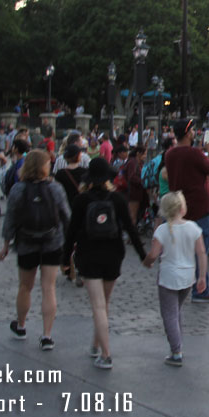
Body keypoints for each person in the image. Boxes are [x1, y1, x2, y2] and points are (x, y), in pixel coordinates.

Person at [64, 158, 146, 369]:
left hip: (89, 255)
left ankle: (106, 354)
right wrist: (142, 255)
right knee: (104, 304)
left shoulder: (81, 200)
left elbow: (71, 232)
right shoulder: (117, 199)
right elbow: (130, 228)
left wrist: (64, 260)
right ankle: (95, 344)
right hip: (113, 255)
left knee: (98, 306)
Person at [0, 150, 71, 351]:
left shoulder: (18, 189)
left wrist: (6, 245)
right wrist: (71, 243)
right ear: (45, 167)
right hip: (52, 241)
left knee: (25, 287)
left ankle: (21, 325)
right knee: (49, 288)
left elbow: (10, 220)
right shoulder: (55, 189)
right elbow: (66, 216)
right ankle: (47, 335)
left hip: (26, 242)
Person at [143, 191, 207, 367]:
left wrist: (147, 261)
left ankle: (176, 351)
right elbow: (201, 253)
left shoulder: (162, 230)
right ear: (182, 208)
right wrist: (202, 276)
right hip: (187, 276)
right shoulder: (193, 228)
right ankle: (178, 343)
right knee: (177, 310)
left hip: (168, 277)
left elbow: (153, 254)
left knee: (169, 314)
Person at [162, 118, 209, 302]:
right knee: (200, 250)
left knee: (182, 250)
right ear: (188, 133)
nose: (195, 132)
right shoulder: (194, 154)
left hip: (179, 207)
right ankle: (201, 290)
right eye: (193, 130)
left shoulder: (170, 154)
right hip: (199, 207)